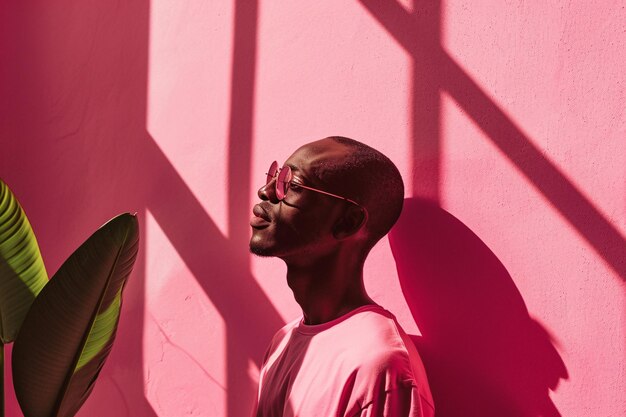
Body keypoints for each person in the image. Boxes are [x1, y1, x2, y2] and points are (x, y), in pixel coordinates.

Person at [249, 136, 434, 417]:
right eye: (275, 177)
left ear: (347, 222)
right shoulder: (283, 341)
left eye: (293, 185)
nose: (266, 192)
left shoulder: (378, 362)